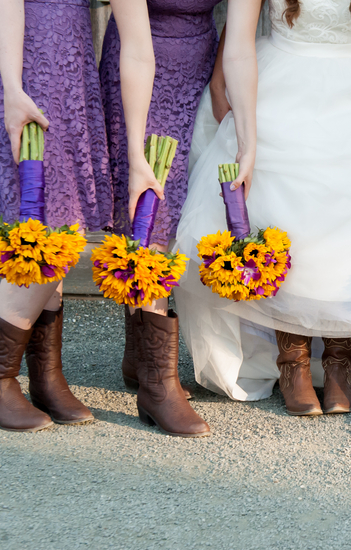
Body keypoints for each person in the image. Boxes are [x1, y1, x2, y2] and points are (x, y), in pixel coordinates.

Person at [174, 0, 351, 413]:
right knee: (284, 207)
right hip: (284, 71)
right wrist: (226, 85)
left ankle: (338, 360)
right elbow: (239, 29)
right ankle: (291, 360)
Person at [0, 0, 159, 432]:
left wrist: (138, 156)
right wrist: (11, 86)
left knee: (62, 219)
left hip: (65, 57)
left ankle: (45, 377)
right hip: (13, 51)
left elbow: (138, 46)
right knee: (46, 220)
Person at [99, 0, 228, 437]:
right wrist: (135, 149)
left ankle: (139, 357)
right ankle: (158, 384)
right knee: (151, 206)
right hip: (140, 75)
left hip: (197, 70)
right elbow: (136, 46)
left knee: (176, 211)